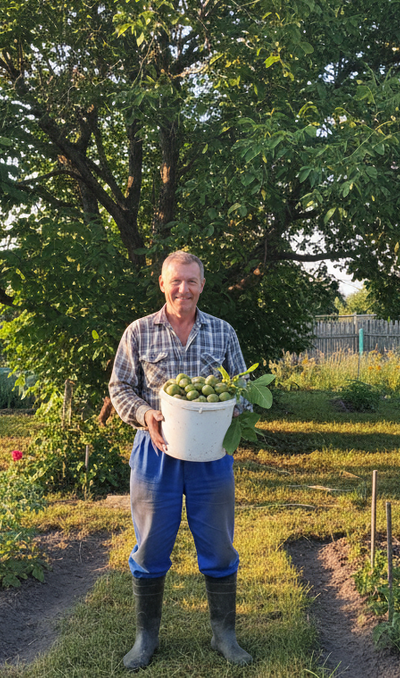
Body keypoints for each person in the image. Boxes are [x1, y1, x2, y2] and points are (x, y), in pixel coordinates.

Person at [108, 250, 253, 670]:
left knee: (219, 544)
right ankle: (145, 638)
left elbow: (243, 389)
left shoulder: (222, 332)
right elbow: (120, 387)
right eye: (176, 281)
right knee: (151, 545)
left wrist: (231, 408)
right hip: (156, 452)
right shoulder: (138, 332)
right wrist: (145, 414)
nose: (183, 289)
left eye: (191, 281)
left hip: (211, 454)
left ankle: (224, 635)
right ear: (162, 284)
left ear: (202, 285)